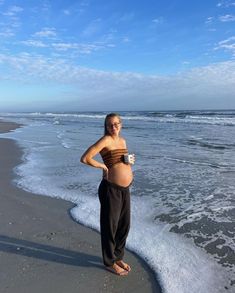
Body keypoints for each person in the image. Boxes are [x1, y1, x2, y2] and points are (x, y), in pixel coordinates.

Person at [80, 113, 135, 276]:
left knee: (124, 226)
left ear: (121, 124)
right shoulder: (105, 140)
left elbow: (118, 161)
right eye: (110, 124)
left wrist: (129, 162)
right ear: (106, 126)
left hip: (125, 189)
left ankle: (118, 257)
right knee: (110, 227)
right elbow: (85, 158)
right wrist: (103, 167)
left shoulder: (122, 141)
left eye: (116, 123)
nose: (114, 127)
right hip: (110, 189)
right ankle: (109, 262)